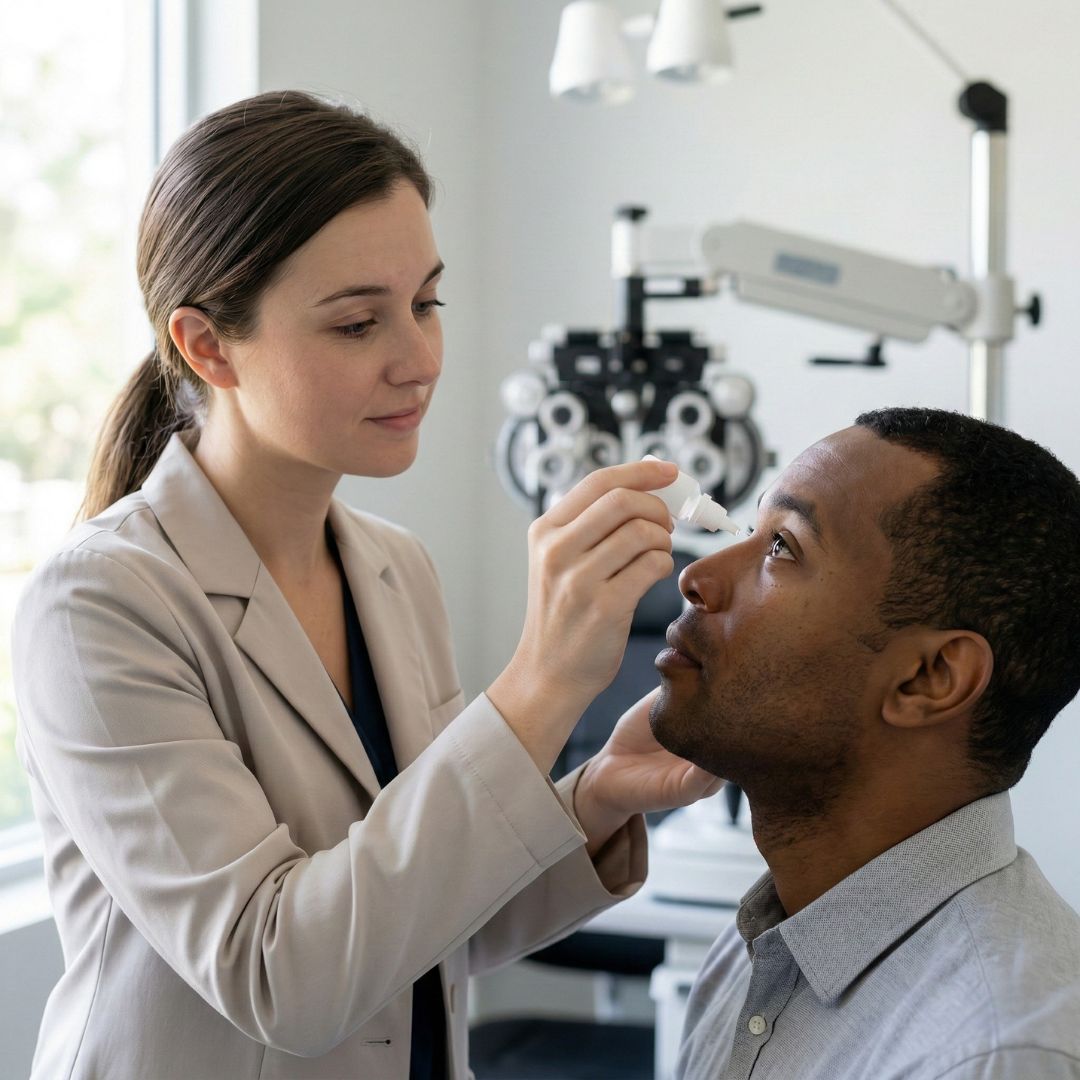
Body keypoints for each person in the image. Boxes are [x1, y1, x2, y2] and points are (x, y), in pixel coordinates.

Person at [11, 90, 722, 1080]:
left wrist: (597, 796)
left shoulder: (393, 569)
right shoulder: (98, 610)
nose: (419, 358)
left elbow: (411, 932)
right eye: (356, 325)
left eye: (427, 303)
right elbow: (286, 978)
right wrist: (542, 684)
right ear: (207, 345)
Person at [652, 407, 1080, 1080]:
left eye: (781, 548)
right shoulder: (759, 952)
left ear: (928, 678)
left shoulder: (994, 1055)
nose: (694, 578)